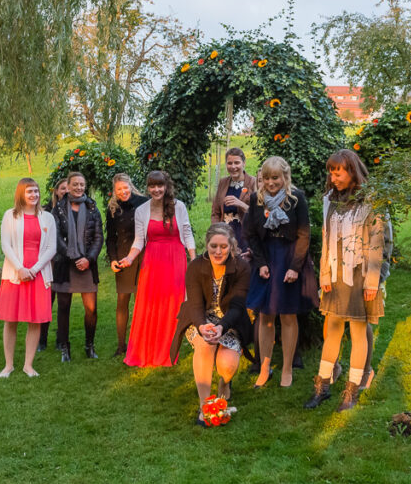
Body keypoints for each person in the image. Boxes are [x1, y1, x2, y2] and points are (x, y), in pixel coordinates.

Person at [306, 149, 385, 411]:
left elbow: (376, 243)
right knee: (332, 330)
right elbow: (326, 238)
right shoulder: (330, 199)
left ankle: (351, 392)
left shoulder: (371, 201)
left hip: (359, 275)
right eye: (331, 172)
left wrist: (372, 281)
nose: (333, 178)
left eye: (338, 172)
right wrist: (324, 274)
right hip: (334, 274)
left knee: (358, 331)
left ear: (352, 171)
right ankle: (322, 387)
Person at [243, 156, 318, 388]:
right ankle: (265, 367)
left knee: (287, 315)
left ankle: (287, 368)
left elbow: (304, 235)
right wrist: (260, 263)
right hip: (266, 260)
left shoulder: (296, 198)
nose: (270, 182)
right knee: (265, 315)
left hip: (289, 259)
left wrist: (295, 267)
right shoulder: (256, 199)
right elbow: (250, 234)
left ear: (285, 176)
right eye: (266, 178)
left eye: (275, 177)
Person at [171, 223, 253, 424]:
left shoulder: (242, 267)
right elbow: (195, 304)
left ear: (231, 246)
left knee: (227, 366)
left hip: (230, 322)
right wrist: (202, 326)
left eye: (223, 246)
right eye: (213, 246)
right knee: (204, 345)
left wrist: (221, 327)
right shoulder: (195, 267)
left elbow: (237, 307)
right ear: (206, 245)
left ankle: (225, 383)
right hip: (200, 317)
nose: (218, 251)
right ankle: (205, 407)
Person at [119, 170, 196, 367]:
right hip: (152, 262)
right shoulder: (141, 211)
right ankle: (146, 350)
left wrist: (194, 259)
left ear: (166, 186)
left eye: (160, 186)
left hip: (175, 259)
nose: (156, 190)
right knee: (150, 304)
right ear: (148, 188)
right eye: (152, 186)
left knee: (172, 304)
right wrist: (129, 258)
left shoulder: (179, 206)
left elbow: (187, 233)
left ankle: (167, 351)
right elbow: (139, 240)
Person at [0, 177, 57, 377]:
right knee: (10, 320)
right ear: (21, 194)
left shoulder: (47, 217)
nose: (34, 195)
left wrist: (34, 269)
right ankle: (8, 365)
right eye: (29, 191)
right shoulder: (10, 215)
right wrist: (21, 269)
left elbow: (51, 248)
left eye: (36, 191)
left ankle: (28, 365)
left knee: (35, 320)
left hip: (39, 275)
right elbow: (6, 245)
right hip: (15, 274)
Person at [51, 171, 104, 361]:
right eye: (75, 184)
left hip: (87, 265)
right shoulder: (58, 210)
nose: (79, 188)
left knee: (91, 309)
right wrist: (73, 257)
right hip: (65, 265)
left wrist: (88, 259)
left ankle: (89, 345)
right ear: (68, 186)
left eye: (82, 184)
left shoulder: (92, 208)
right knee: (63, 307)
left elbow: (98, 237)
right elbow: (55, 237)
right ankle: (65, 348)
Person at [105, 173, 149, 357]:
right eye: (119, 189)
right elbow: (110, 238)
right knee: (122, 301)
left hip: (144, 257)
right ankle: (121, 344)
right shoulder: (113, 209)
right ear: (114, 191)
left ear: (131, 186)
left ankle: (141, 342)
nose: (123, 191)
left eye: (125, 187)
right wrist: (113, 259)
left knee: (142, 302)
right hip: (124, 258)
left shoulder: (145, 203)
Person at [38, 179, 68, 352]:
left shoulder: (73, 210)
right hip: (48, 263)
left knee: (63, 303)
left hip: (64, 263)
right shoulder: (44, 211)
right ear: (56, 191)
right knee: (46, 303)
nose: (66, 191)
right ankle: (42, 339)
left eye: (68, 188)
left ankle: (61, 339)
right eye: (62, 188)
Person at [210, 147, 256, 255]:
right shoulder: (223, 183)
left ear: (244, 163)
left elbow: (259, 213)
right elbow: (215, 212)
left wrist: (241, 204)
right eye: (229, 163)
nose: (233, 167)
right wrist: (217, 233)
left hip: (246, 236)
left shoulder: (253, 183)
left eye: (237, 163)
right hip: (225, 237)